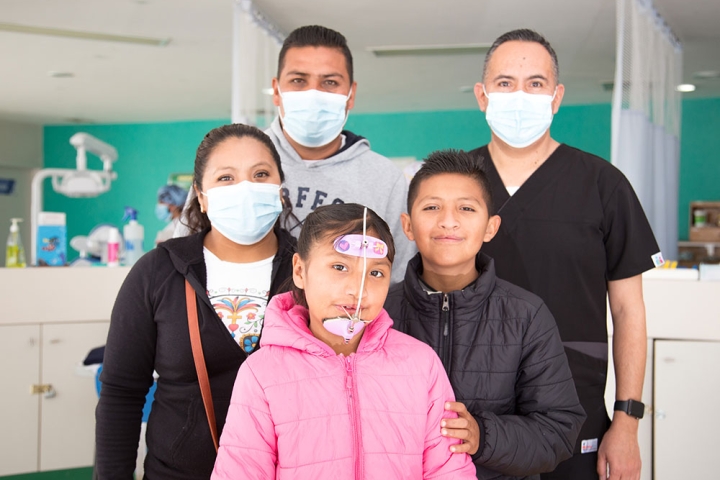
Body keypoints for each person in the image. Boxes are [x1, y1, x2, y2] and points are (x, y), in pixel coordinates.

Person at [469, 29, 662, 480]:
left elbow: (629, 311)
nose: (520, 95)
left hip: (574, 407)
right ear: (482, 95)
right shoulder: (454, 182)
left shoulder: (603, 184)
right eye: (504, 83)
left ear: (556, 98)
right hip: (468, 409)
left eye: (535, 84)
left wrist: (627, 422)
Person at [211, 203, 477, 479]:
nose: (357, 290)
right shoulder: (262, 373)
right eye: (339, 266)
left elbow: (448, 469)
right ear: (300, 271)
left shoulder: (422, 365)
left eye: (375, 273)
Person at [95, 124, 297, 479]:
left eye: (261, 174)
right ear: (201, 197)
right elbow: (121, 395)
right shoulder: (157, 272)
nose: (246, 189)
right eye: (226, 178)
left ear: (280, 189)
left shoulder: (312, 270)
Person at [384, 150, 585, 479]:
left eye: (466, 208)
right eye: (432, 207)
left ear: (491, 227)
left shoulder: (526, 316)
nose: (449, 221)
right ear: (408, 225)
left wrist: (483, 436)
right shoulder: (378, 314)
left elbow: (559, 430)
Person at [176, 25, 414, 283]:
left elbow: (395, 282)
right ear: (277, 91)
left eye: (330, 82)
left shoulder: (384, 179)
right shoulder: (231, 160)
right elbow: (181, 260)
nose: (313, 94)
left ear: (351, 94)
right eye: (298, 80)